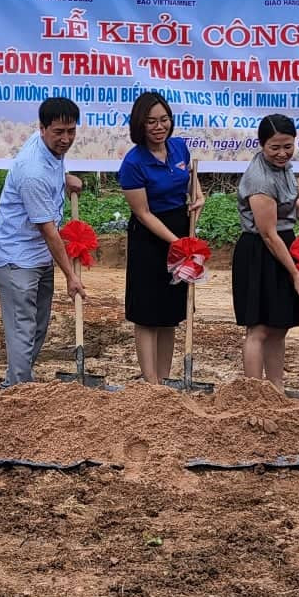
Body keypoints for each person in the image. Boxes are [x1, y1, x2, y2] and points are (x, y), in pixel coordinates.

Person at [0, 96, 85, 385]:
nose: (65, 139)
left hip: (39, 256)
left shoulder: (49, 149)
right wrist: (71, 275)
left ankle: (19, 381)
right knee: (22, 328)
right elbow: (49, 231)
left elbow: (53, 171)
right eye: (58, 132)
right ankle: (18, 392)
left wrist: (65, 178)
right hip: (17, 259)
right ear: (42, 129)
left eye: (71, 131)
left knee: (38, 326)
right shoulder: (33, 171)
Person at [117, 90, 205, 383]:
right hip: (150, 238)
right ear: (140, 125)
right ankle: (150, 381)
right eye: (151, 122)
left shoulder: (179, 148)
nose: (159, 127)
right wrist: (175, 242)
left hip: (180, 230)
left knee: (170, 310)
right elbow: (142, 213)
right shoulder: (133, 163)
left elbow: (191, 184)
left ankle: (164, 381)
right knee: (147, 310)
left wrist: (199, 197)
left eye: (164, 119)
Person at [231, 113, 299, 384]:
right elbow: (267, 233)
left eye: (287, 146)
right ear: (261, 145)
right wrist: (294, 273)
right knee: (260, 328)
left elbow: (283, 200)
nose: (282, 153)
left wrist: (296, 202)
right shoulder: (259, 179)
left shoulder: (285, 167)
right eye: (274, 147)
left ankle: (276, 390)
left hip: (283, 245)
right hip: (261, 252)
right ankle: (255, 392)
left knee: (279, 326)